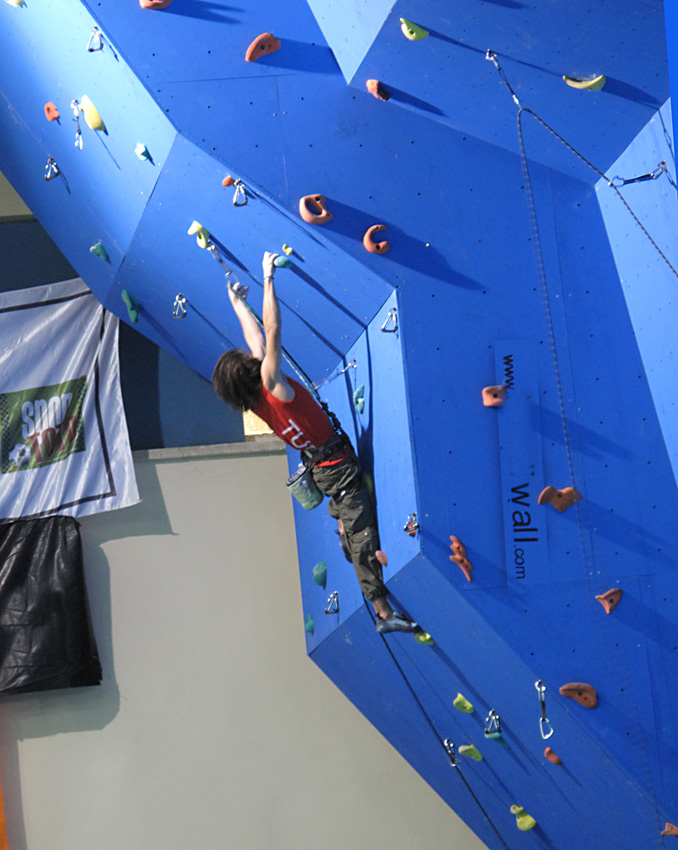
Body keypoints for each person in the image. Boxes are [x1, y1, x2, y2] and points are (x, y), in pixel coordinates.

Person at [212, 252, 418, 635]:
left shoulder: (259, 396)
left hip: (321, 464)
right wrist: (267, 278)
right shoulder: (272, 383)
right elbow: (271, 332)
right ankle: (383, 613)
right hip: (335, 467)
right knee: (364, 536)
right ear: (249, 370)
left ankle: (340, 526)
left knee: (346, 519)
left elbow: (255, 335)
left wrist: (237, 302)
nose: (249, 353)